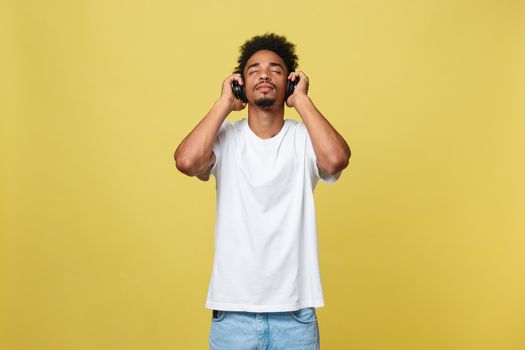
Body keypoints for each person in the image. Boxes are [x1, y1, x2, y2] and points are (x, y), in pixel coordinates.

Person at [174, 33, 351, 350]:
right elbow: (187, 161)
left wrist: (304, 102)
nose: (265, 75)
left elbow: (336, 159)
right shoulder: (227, 138)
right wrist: (223, 104)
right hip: (233, 315)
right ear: (240, 83)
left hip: (294, 316)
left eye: (276, 69)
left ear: (291, 84)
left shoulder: (303, 139)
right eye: (254, 69)